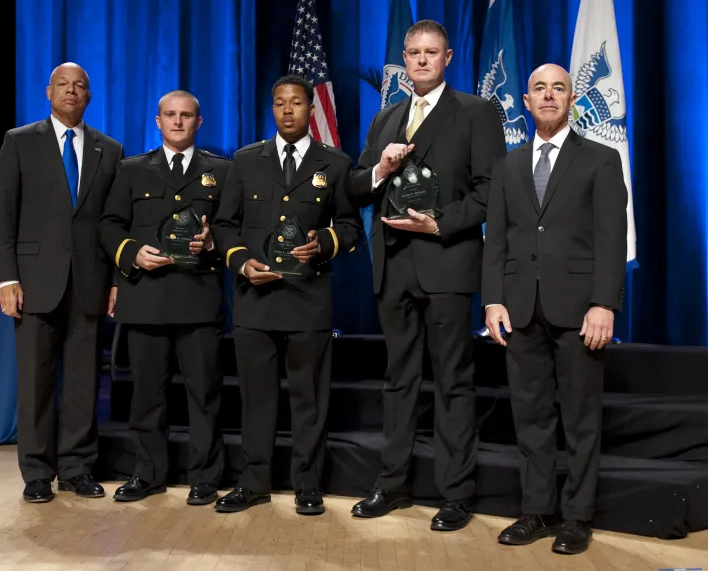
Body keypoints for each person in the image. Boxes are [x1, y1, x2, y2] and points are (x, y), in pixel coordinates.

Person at [347, 20, 506, 532]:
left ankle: (456, 494)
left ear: (448, 57)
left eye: (430, 52)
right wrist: (379, 171)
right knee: (398, 381)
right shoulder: (386, 117)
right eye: (412, 53)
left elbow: (489, 192)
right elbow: (357, 186)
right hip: (393, 266)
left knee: (454, 381)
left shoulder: (478, 113)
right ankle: (392, 485)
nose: (420, 61)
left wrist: (441, 223)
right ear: (404, 57)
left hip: (447, 262)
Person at [482, 64, 627, 554]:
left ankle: (576, 517)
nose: (548, 96)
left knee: (581, 419)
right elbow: (496, 239)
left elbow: (612, 239)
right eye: (539, 89)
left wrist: (604, 303)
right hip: (520, 309)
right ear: (525, 101)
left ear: (572, 99)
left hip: (579, 309)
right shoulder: (509, 164)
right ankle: (537, 511)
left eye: (558, 88)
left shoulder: (601, 161)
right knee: (531, 416)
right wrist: (493, 299)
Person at [211, 75, 361, 516]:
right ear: (271, 109)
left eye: (297, 102)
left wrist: (324, 244)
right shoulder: (245, 161)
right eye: (280, 103)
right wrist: (240, 261)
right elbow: (224, 226)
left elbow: (351, 227)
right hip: (255, 301)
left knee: (308, 400)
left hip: (307, 300)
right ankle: (253, 481)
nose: (288, 110)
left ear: (311, 110)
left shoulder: (334, 162)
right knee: (256, 399)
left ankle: (307, 484)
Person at [0, 62, 124, 503]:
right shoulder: (19, 141)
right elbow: (3, 215)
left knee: (85, 381)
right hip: (32, 282)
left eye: (80, 85)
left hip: (89, 281)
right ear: (48, 91)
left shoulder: (110, 149)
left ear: (90, 96)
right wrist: (7, 277)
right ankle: (36, 472)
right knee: (35, 382)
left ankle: (76, 467)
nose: (71, 91)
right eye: (63, 85)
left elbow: (113, 222)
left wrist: (116, 280)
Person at [97, 90, 231, 505]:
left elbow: (232, 227)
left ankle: (205, 476)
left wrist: (212, 242)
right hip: (146, 297)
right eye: (170, 115)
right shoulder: (132, 170)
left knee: (204, 393)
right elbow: (109, 225)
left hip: (198, 298)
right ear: (158, 121)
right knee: (147, 394)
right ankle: (147, 473)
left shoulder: (222, 171)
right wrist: (131, 253)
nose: (177, 122)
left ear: (199, 122)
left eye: (186, 115)